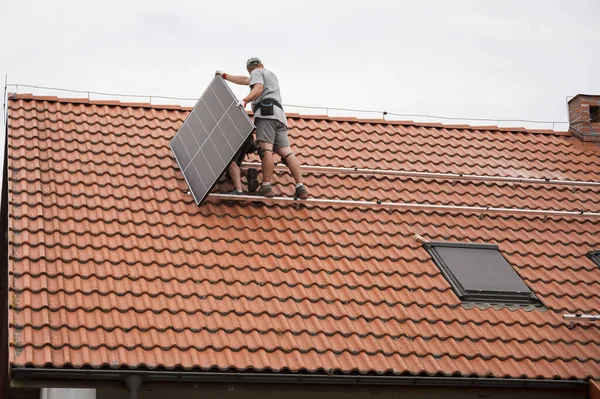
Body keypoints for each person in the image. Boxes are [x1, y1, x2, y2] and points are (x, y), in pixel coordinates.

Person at [216, 57, 308, 199]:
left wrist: (245, 101)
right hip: (280, 117)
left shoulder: (256, 74)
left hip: (266, 115)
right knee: (287, 153)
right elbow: (246, 81)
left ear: (249, 69)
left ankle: (266, 186)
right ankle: (300, 187)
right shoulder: (270, 75)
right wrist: (225, 76)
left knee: (266, 150)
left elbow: (258, 88)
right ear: (262, 65)